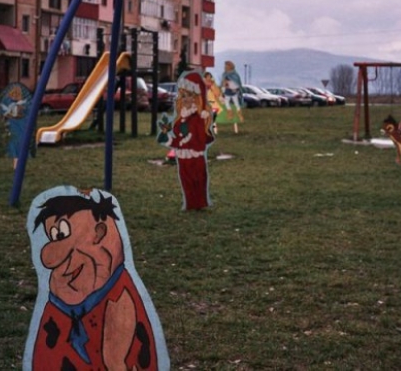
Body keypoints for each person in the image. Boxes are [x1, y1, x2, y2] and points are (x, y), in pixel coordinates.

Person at [26, 188, 165, 370]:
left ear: (99, 233)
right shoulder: (59, 304)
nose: (48, 257)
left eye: (62, 234)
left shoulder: (117, 296)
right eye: (53, 236)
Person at [157, 71, 215, 210]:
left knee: (197, 181)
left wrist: (185, 139)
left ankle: (199, 203)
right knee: (186, 181)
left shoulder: (198, 118)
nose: (184, 99)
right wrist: (167, 137)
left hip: (195, 157)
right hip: (183, 157)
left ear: (196, 97)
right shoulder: (181, 118)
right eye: (182, 95)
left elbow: (200, 141)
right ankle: (190, 203)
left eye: (188, 95)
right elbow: (178, 139)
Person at [220, 60, 244, 133]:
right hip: (227, 91)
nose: (225, 67)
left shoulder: (235, 74)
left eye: (226, 66)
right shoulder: (224, 74)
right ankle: (230, 113)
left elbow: (237, 82)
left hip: (234, 91)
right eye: (225, 66)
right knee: (227, 102)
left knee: (236, 103)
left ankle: (239, 114)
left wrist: (236, 89)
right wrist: (223, 89)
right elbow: (223, 83)